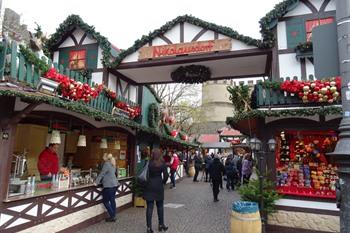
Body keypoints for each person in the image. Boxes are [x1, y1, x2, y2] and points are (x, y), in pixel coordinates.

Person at [143, 149, 169, 233]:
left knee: (149, 208)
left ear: (152, 155)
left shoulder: (149, 163)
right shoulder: (162, 163)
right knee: (160, 207)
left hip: (149, 186)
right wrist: (163, 182)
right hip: (158, 186)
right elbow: (166, 176)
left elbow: (145, 173)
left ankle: (149, 228)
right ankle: (161, 225)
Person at [95, 153, 119, 222]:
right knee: (112, 201)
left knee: (105, 201)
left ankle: (112, 216)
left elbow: (102, 173)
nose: (102, 158)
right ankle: (113, 215)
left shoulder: (106, 164)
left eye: (103, 156)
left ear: (106, 157)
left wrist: (96, 182)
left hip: (109, 186)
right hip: (114, 185)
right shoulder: (112, 163)